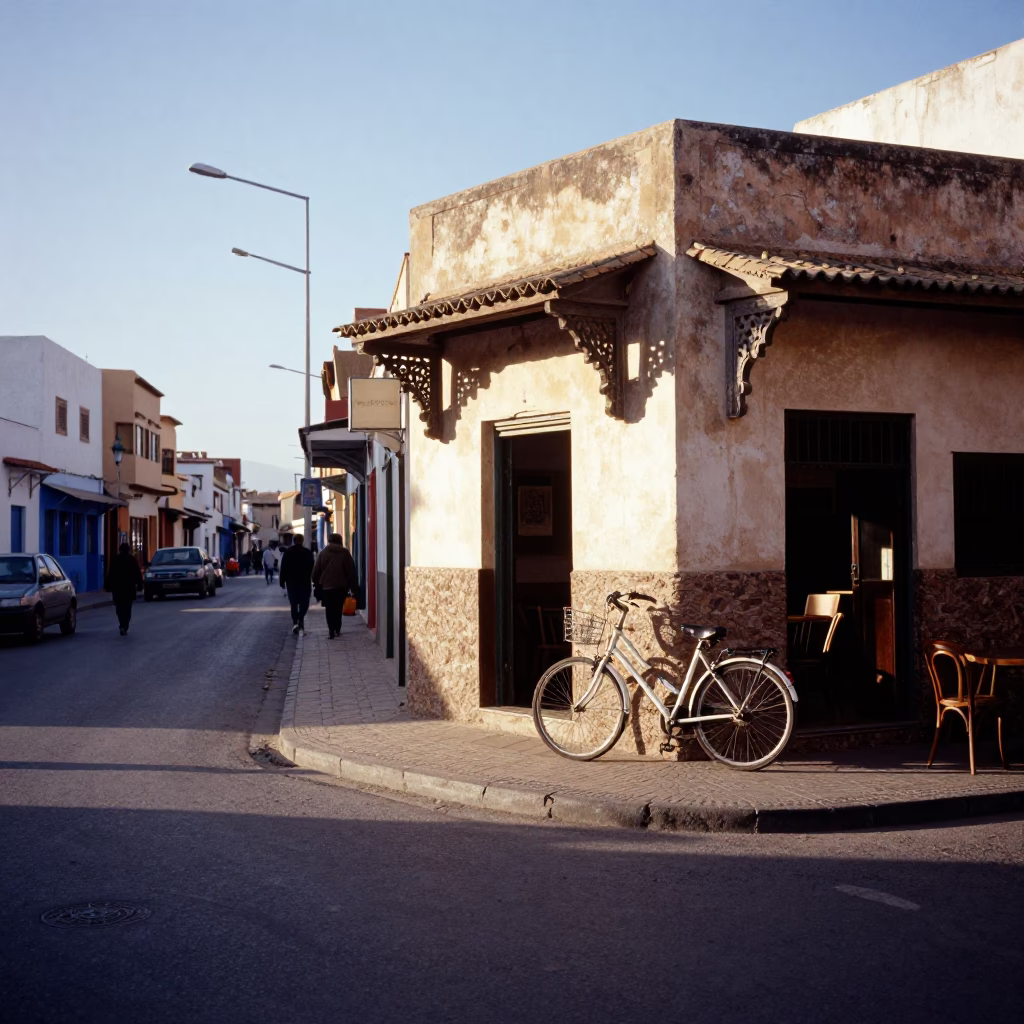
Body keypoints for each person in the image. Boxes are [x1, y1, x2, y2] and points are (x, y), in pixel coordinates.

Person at [311, 532, 358, 639]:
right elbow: (351, 570)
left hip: (327, 587)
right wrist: (353, 586)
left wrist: (315, 582)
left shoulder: (323, 553)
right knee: (338, 608)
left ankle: (331, 630)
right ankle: (337, 629)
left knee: (329, 609)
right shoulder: (345, 553)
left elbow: (316, 570)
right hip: (341, 586)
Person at [279, 534, 315, 635]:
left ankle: (295, 623)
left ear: (294, 541)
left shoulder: (288, 552)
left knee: (293, 603)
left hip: (291, 582)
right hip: (304, 581)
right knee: (305, 602)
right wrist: (315, 580)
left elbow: (283, 568)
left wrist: (282, 581)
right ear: (302, 541)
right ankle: (300, 618)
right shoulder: (307, 552)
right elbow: (313, 567)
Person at [104, 542, 143, 636]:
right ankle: (124, 625)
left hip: (118, 589)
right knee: (127, 608)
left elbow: (110, 574)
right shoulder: (132, 559)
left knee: (119, 608)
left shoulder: (116, 559)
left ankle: (122, 625)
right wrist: (140, 585)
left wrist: (108, 586)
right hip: (129, 589)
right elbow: (137, 573)